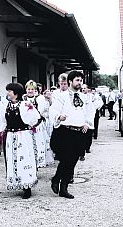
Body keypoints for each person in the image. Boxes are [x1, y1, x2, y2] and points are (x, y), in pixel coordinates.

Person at [49, 70, 93, 199]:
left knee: (73, 161)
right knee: (66, 159)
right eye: (77, 80)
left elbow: (90, 111)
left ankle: (63, 187)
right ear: (70, 81)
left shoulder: (84, 97)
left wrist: (87, 123)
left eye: (81, 80)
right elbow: (54, 109)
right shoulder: (62, 96)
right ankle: (57, 180)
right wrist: (59, 116)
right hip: (66, 131)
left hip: (79, 132)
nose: (79, 83)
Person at [0, 83, 40, 199]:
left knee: (24, 158)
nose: (7, 93)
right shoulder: (6, 106)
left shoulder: (24, 105)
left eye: (9, 91)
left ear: (16, 93)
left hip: (23, 136)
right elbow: (3, 120)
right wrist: (2, 130)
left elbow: (35, 118)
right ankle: (16, 182)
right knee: (12, 158)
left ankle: (27, 187)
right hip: (11, 136)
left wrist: (29, 125)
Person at [24, 80, 52, 168]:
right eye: (28, 89)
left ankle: (38, 162)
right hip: (27, 126)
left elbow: (41, 112)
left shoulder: (39, 99)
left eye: (32, 89)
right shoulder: (23, 99)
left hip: (37, 125)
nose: (30, 91)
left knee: (38, 144)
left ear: (35, 90)